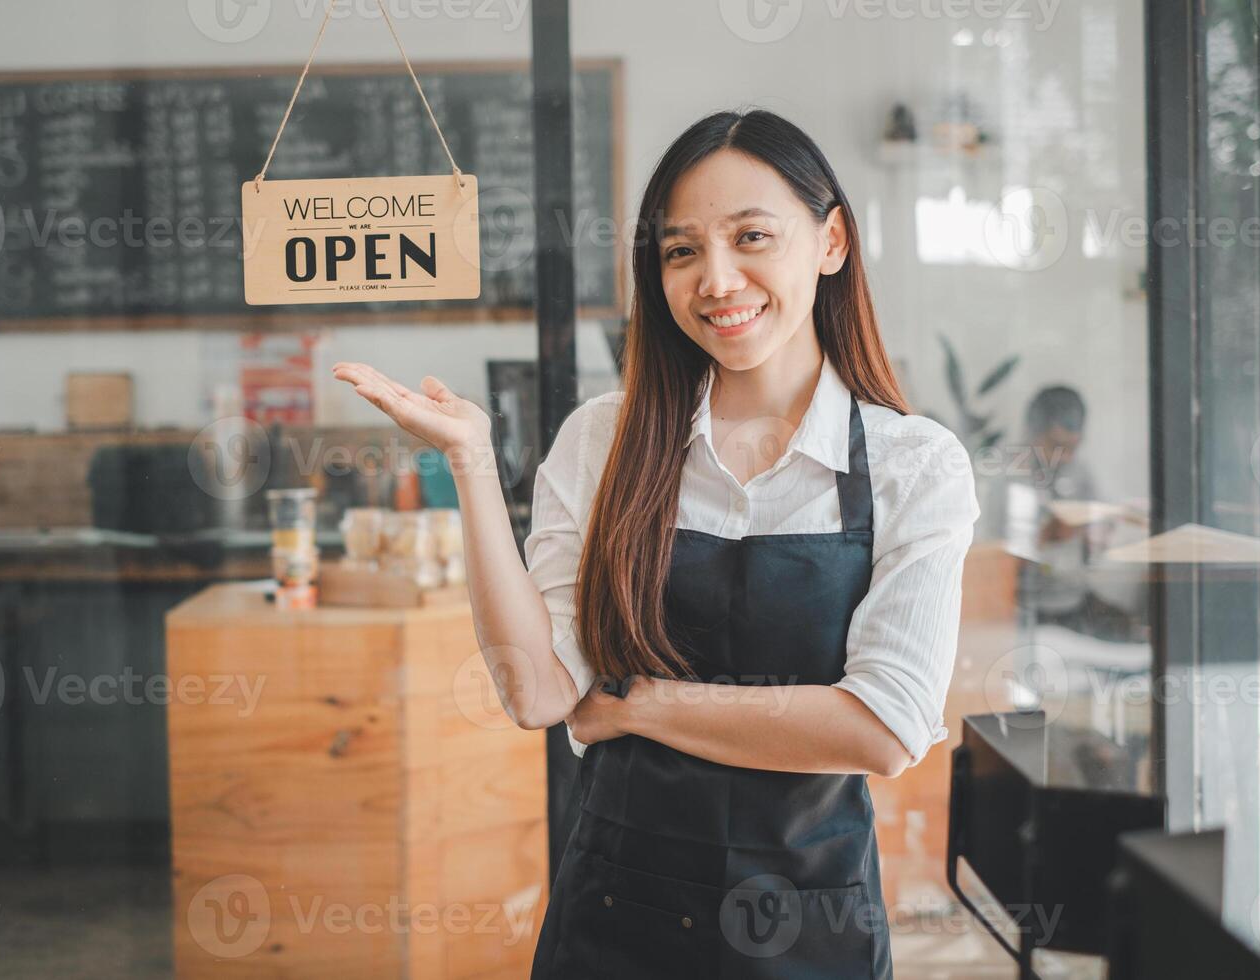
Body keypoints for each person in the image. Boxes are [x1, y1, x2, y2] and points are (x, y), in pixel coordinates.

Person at [333, 108, 978, 979]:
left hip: (811, 924)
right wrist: (471, 463)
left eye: (751, 236)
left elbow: (883, 728)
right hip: (615, 918)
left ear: (831, 242)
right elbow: (537, 693)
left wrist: (635, 705)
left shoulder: (915, 464)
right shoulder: (603, 441)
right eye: (681, 252)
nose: (717, 279)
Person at [983, 385, 1145, 643]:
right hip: (1026, 606)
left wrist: (1101, 529)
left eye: (1073, 447)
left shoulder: (1078, 471)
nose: (1066, 457)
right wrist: (1045, 537)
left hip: (1075, 599)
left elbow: (1099, 523)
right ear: (1031, 434)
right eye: (1056, 446)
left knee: (1141, 635)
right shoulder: (1007, 478)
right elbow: (991, 562)